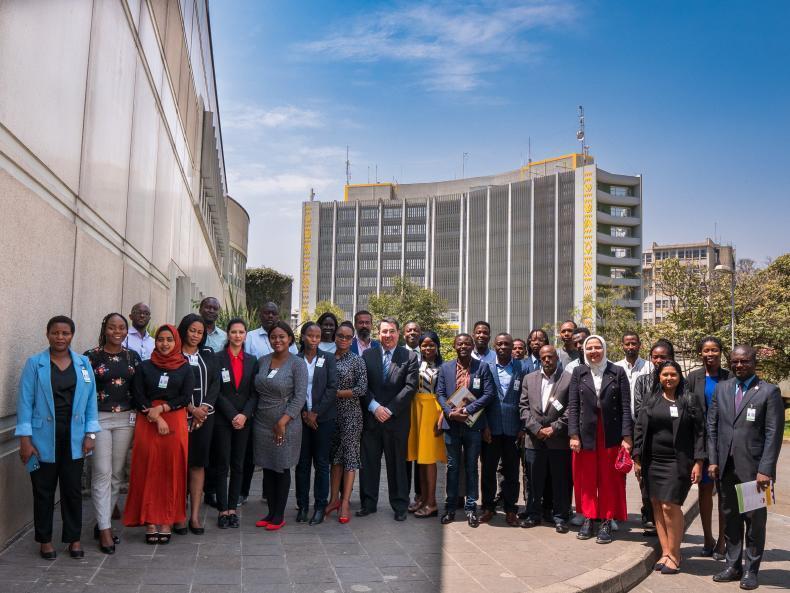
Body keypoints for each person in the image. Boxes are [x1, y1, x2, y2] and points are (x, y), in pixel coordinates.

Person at [16, 316, 100, 560]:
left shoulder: (84, 364)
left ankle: (74, 539)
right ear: (47, 334)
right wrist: (25, 440)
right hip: (41, 440)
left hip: (75, 438)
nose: (60, 337)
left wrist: (90, 434)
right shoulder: (35, 364)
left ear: (72, 335)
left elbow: (91, 402)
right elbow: (24, 402)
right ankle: (45, 540)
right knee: (43, 490)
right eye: (55, 333)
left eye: (65, 333)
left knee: (72, 490)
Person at [708, 345, 784, 590]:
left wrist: (766, 469)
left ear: (754, 362)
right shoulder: (722, 388)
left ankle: (751, 570)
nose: (739, 365)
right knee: (730, 518)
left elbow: (774, 434)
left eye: (744, 361)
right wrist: (713, 460)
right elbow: (713, 427)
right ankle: (733, 565)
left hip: (754, 470)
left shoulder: (769, 392)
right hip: (726, 467)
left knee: (754, 521)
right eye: (735, 361)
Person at [124, 324, 194, 544]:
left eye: (169, 340)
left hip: (174, 421)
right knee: (148, 469)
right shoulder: (145, 367)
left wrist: (163, 410)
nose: (164, 344)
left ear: (176, 342)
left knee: (171, 470)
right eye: (161, 339)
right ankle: (150, 521)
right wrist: (156, 416)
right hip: (148, 421)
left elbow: (185, 397)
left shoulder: (185, 368)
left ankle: (167, 520)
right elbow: (137, 395)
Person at [633, 361, 705, 574]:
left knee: (670, 506)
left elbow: (700, 433)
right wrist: (637, 458)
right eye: (665, 374)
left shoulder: (689, 400)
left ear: (679, 376)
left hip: (677, 461)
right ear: (659, 377)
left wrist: (699, 462)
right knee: (656, 504)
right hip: (652, 461)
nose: (669, 378)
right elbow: (639, 428)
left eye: (673, 374)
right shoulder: (651, 399)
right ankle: (665, 552)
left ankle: (676, 554)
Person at [84, 313, 141, 554]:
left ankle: (103, 521)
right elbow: (84, 392)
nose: (117, 331)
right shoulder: (91, 356)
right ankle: (106, 531)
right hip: (99, 419)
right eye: (112, 327)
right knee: (102, 472)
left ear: (126, 331)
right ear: (104, 329)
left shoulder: (133, 357)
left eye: (121, 327)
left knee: (117, 474)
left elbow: (138, 389)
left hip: (126, 419)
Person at [568, 335, 632, 544]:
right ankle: (588, 518)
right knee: (585, 479)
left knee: (609, 479)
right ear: (584, 351)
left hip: (610, 433)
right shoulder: (579, 372)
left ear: (604, 349)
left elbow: (624, 407)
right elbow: (574, 405)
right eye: (590, 348)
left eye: (597, 347)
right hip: (585, 432)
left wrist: (626, 437)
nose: (594, 351)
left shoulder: (618, 372)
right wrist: (574, 434)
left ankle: (606, 520)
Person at [357, 317, 420, 521]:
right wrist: (375, 407)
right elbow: (362, 386)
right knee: (368, 463)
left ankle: (400, 505)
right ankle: (368, 503)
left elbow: (410, 388)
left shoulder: (409, 357)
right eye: (384, 331)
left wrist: (389, 410)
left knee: (398, 465)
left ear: (398, 333)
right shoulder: (367, 355)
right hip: (372, 418)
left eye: (392, 331)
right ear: (378, 333)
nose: (388, 335)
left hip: (397, 420)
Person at [436, 333, 495, 527]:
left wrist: (467, 409)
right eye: (460, 343)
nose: (463, 346)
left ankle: (471, 508)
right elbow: (440, 393)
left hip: (473, 425)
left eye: (467, 343)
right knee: (452, 468)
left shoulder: (482, 367)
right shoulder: (445, 368)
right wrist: (451, 413)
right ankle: (451, 508)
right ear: (454, 346)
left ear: (472, 346)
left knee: (471, 467)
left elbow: (488, 394)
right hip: (452, 425)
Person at [253, 321, 307, 531]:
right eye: (274, 337)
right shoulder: (263, 361)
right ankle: (270, 512)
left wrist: (283, 421)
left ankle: (279, 515)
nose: (277, 340)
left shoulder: (297, 363)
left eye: (282, 336)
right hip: (262, 422)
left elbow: (300, 396)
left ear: (290, 339)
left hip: (286, 423)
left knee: (281, 467)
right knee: (267, 466)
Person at [521, 345, 573, 533]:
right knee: (534, 481)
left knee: (559, 481)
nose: (547, 360)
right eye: (543, 358)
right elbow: (523, 408)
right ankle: (533, 515)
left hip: (558, 440)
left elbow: (572, 408)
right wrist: (536, 429)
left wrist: (555, 428)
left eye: (550, 357)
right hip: (534, 440)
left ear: (557, 358)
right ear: (540, 359)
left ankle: (560, 517)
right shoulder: (529, 378)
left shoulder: (568, 378)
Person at [176, 314, 219, 535]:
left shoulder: (208, 354)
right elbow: (171, 388)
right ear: (184, 330)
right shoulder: (173, 355)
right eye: (192, 330)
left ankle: (194, 516)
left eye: (199, 332)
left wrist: (203, 410)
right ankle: (178, 514)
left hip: (204, 419)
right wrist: (190, 409)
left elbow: (215, 383)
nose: (195, 335)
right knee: (179, 465)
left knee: (197, 464)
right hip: (178, 417)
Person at [213, 319, 258, 529]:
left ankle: (233, 508)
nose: (237, 336)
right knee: (222, 464)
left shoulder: (252, 360)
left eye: (241, 332)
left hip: (244, 421)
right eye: (234, 332)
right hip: (223, 419)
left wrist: (244, 415)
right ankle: (222, 509)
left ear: (246, 335)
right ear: (228, 334)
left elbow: (253, 393)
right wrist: (232, 414)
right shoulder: (217, 359)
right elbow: (217, 392)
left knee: (239, 465)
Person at [687, 336, 729, 559]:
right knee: (704, 490)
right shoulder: (693, 378)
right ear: (700, 353)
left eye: (714, 350)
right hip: (701, 441)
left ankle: (722, 541)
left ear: (721, 353)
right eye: (706, 350)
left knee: (723, 493)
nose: (710, 354)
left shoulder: (729, 377)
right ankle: (707, 538)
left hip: (724, 441)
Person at [479, 333, 524, 527]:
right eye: (500, 344)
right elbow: (480, 400)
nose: (503, 347)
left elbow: (526, 399)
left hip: (513, 429)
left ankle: (511, 508)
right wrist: (484, 426)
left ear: (512, 346)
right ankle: (488, 507)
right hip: (491, 428)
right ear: (494, 346)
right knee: (488, 469)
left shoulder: (521, 368)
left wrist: (523, 427)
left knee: (512, 471)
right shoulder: (485, 368)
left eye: (507, 344)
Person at [295, 322, 338, 525]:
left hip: (323, 419)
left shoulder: (328, 358)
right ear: (303, 336)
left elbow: (332, 388)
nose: (314, 339)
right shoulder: (295, 360)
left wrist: (315, 413)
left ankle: (320, 506)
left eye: (317, 336)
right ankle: (302, 506)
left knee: (321, 463)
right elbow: (292, 389)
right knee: (302, 464)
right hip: (300, 419)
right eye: (310, 335)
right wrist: (304, 413)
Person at [630, 339, 676, 531]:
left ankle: (669, 522)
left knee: (669, 486)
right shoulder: (643, 381)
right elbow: (640, 410)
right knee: (646, 482)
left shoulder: (678, 380)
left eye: (662, 357)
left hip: (672, 442)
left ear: (671, 358)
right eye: (655, 357)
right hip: (647, 440)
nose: (658, 360)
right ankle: (649, 515)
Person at [327, 321, 368, 524]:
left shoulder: (357, 361)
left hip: (351, 414)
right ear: (335, 336)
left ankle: (345, 502)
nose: (343, 339)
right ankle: (333, 499)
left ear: (352, 339)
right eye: (340, 335)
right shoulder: (326, 358)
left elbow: (362, 389)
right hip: (330, 415)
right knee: (335, 458)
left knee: (350, 458)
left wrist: (336, 394)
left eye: (347, 337)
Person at [406, 332, 446, 518]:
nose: (428, 348)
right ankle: (422, 498)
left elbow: (446, 393)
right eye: (424, 345)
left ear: (437, 347)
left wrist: (442, 417)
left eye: (431, 345)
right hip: (416, 409)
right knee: (419, 458)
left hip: (432, 411)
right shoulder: (416, 363)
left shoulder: (443, 367)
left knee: (429, 459)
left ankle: (432, 503)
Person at [402, 320, 423, 510]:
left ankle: (420, 495)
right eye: (409, 330)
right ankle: (404, 495)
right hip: (404, 410)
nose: (412, 333)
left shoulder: (428, 352)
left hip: (424, 412)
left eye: (416, 330)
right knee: (406, 455)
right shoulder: (399, 354)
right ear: (403, 334)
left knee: (422, 455)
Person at [615, 332, 652, 408]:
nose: (630, 347)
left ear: (639, 345)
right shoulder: (615, 367)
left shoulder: (649, 366)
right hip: (621, 415)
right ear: (622, 346)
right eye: (627, 344)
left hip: (643, 414)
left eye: (634, 343)